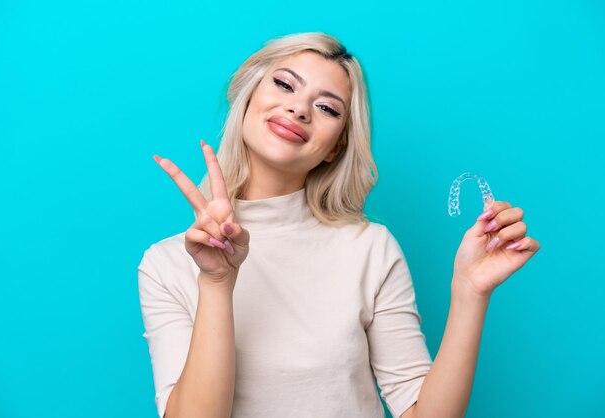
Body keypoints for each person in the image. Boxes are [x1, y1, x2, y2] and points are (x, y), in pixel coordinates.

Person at [138, 32, 540, 418]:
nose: (299, 109)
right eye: (284, 84)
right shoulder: (166, 265)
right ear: (247, 97)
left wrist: (470, 292)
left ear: (336, 148)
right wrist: (216, 283)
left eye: (327, 108)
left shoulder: (369, 248)